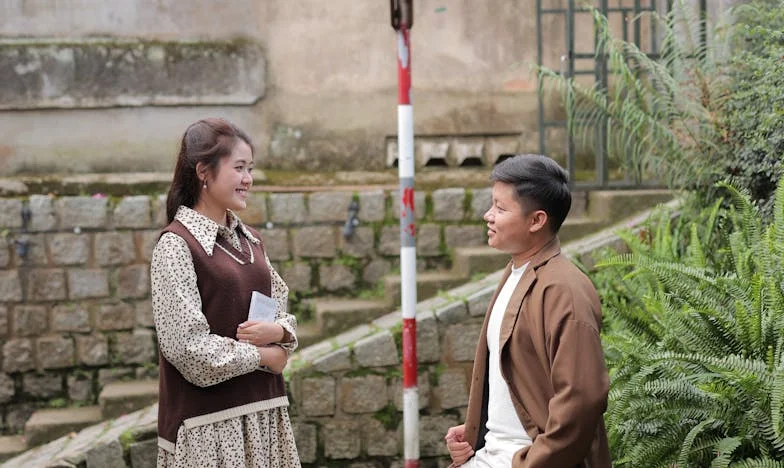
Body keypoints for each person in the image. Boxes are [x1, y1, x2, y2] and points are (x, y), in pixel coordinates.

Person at [151, 118, 301, 467]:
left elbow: (279, 307)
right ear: (204, 172)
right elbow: (187, 348)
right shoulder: (175, 245)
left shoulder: (251, 242)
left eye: (250, 169)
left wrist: (279, 332)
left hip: (265, 417)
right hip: (209, 429)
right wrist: (264, 356)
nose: (248, 179)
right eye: (239, 168)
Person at [444, 154, 611, 467]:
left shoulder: (564, 290)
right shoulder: (516, 272)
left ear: (536, 221)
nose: (488, 216)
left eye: (500, 208)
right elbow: (519, 383)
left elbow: (582, 399)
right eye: (492, 205)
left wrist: (530, 461)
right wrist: (477, 430)